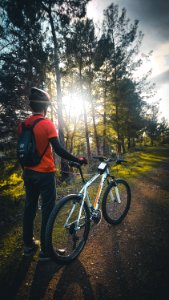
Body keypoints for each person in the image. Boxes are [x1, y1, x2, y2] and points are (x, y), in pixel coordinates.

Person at [17, 87, 87, 261]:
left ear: (32, 106)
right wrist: (77, 159)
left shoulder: (22, 125)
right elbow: (58, 150)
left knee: (30, 207)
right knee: (48, 209)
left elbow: (21, 150)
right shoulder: (47, 124)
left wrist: (25, 169)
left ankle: (28, 246)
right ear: (45, 106)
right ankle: (46, 252)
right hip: (45, 174)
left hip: (28, 172)